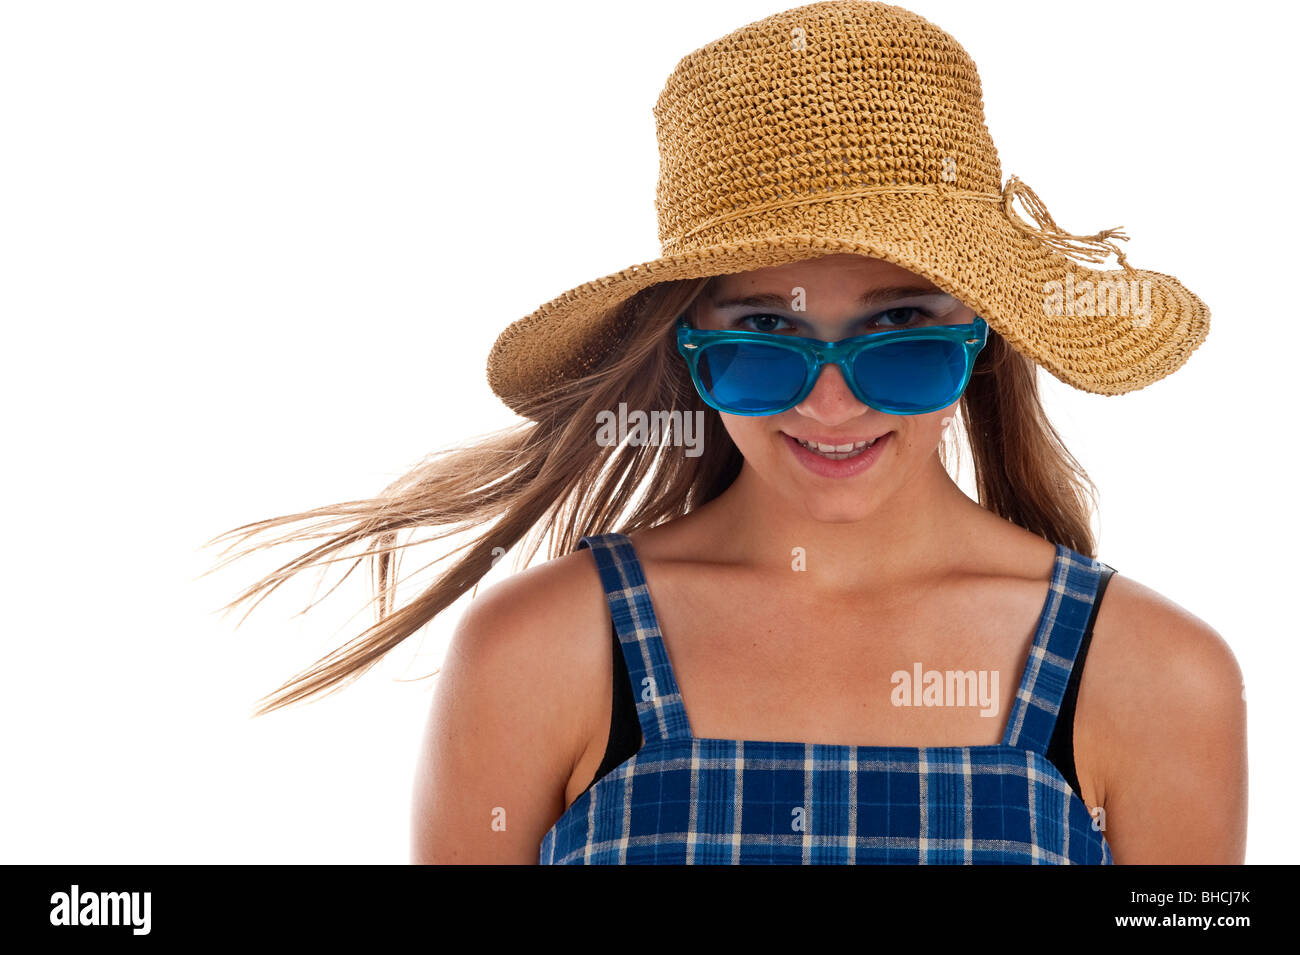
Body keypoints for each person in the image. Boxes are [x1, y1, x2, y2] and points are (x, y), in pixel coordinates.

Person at [206, 0, 1246, 864]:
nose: (831, 405)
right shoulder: (539, 655)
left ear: (982, 339)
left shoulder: (1157, 679)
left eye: (897, 334)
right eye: (765, 336)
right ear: (687, 343)